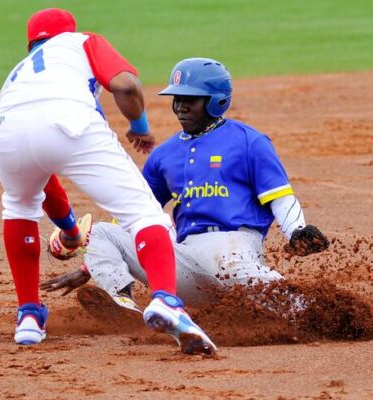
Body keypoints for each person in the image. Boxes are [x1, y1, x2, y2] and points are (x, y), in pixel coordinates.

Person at [0, 8, 216, 355]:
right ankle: (166, 301)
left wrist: (69, 231)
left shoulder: (19, 76)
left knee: (19, 207)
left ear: (32, 43)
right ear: (67, 32)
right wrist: (139, 125)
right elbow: (125, 85)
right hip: (69, 120)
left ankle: (29, 318)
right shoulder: (81, 42)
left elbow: (46, 176)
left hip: (6, 129)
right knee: (143, 214)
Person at [42, 58, 330, 317]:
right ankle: (123, 303)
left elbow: (280, 195)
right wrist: (90, 266)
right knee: (103, 233)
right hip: (185, 262)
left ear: (216, 101)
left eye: (190, 99)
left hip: (233, 254)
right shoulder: (163, 155)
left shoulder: (248, 141)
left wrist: (297, 231)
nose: (180, 106)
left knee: (308, 314)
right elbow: (134, 214)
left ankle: (328, 317)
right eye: (177, 98)